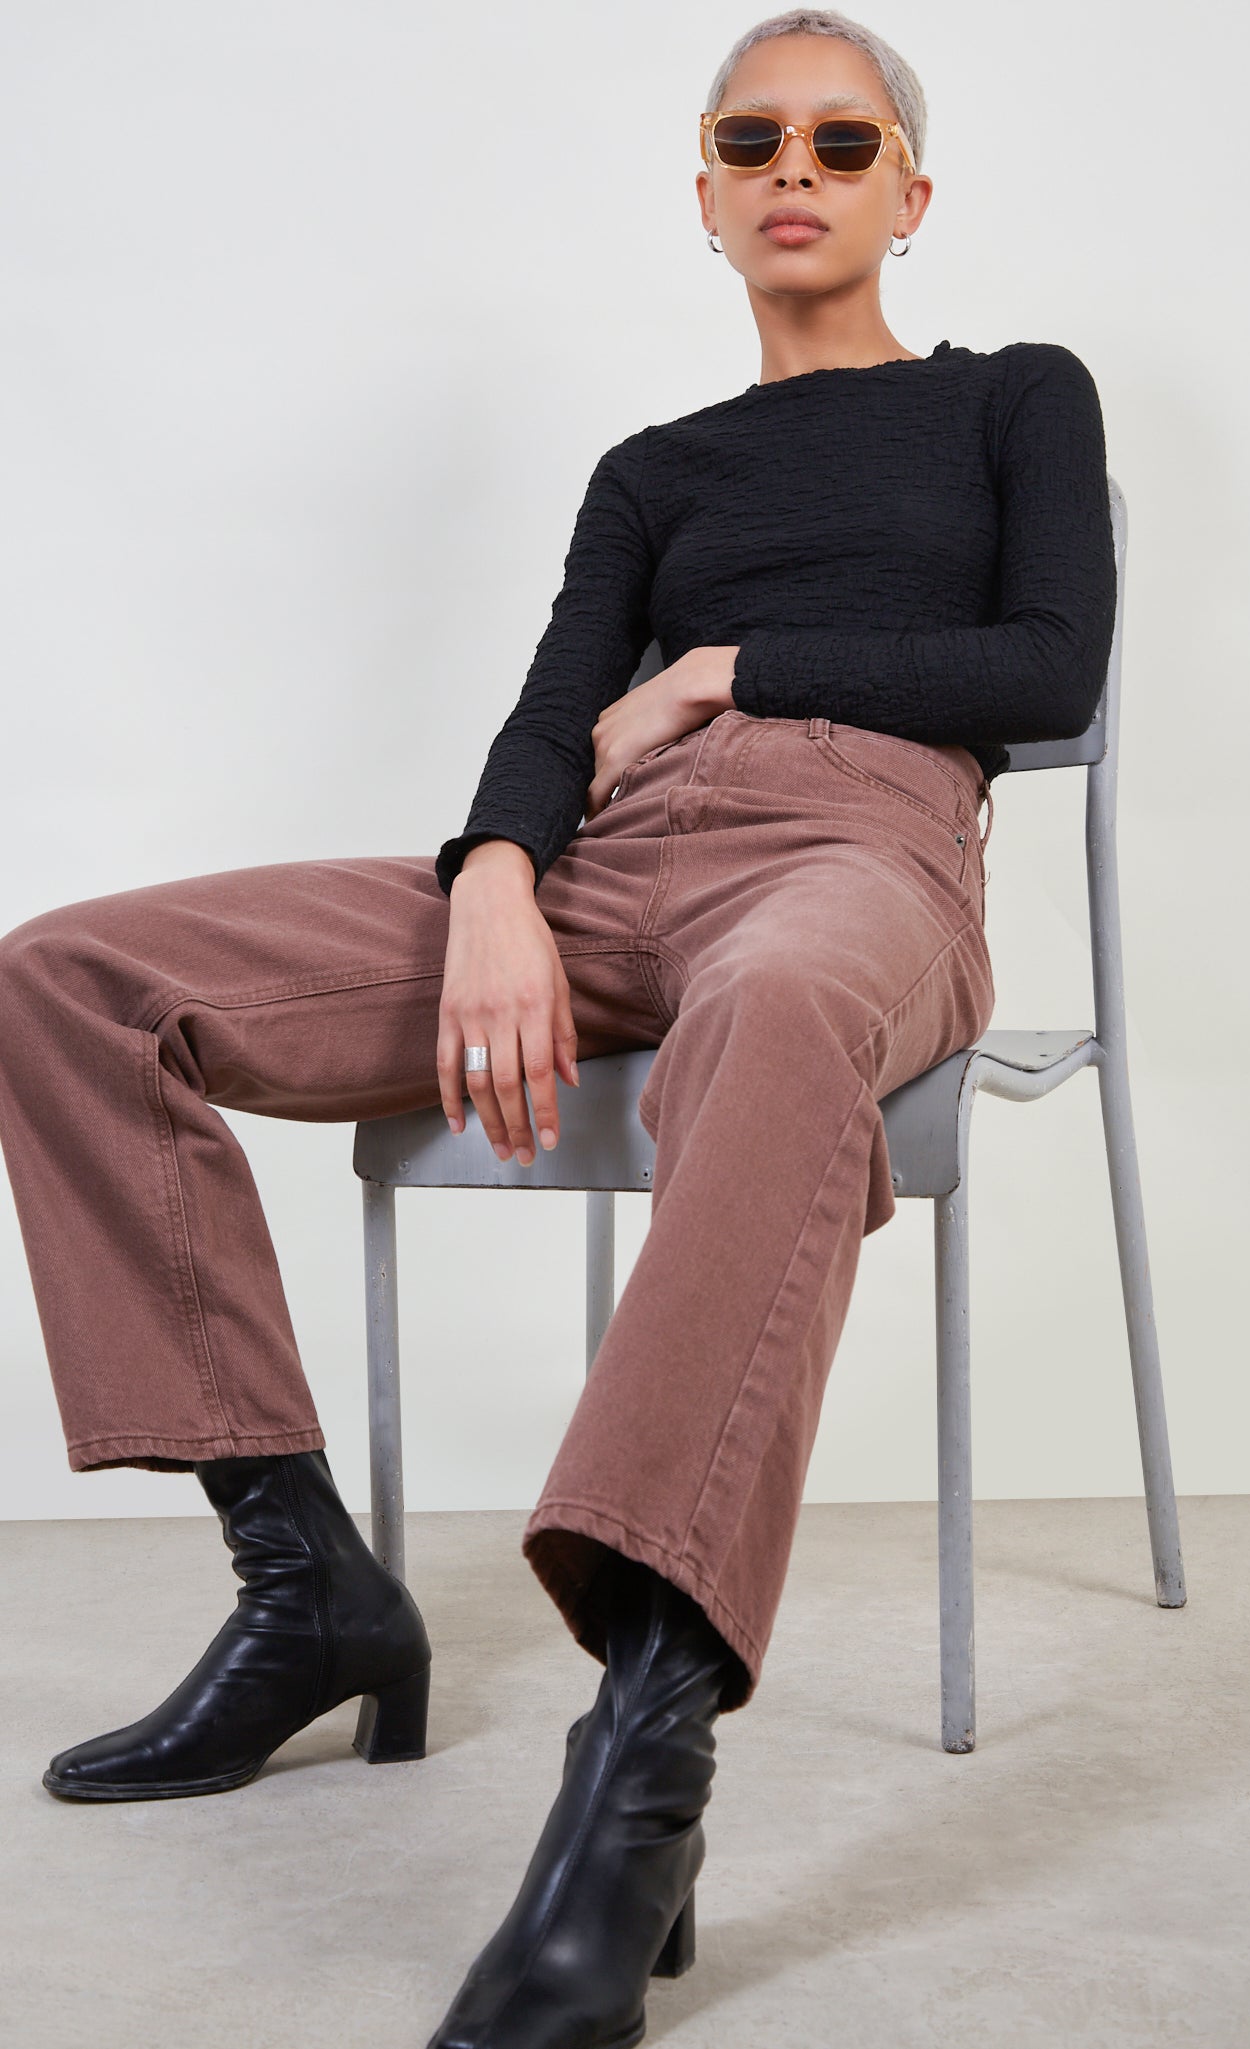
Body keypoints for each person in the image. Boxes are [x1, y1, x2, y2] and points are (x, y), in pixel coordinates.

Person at [0, 8, 1117, 2046]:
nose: (793, 169)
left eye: (840, 141)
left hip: (855, 853)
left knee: (770, 1012)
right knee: (71, 976)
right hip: (595, 868)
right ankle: (304, 1582)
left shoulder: (1011, 396)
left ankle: (640, 1774)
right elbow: (548, 717)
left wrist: (722, 667)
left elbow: (1045, 661)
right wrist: (498, 880)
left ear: (908, 192)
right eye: (750, 141)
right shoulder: (650, 470)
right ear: (703, 195)